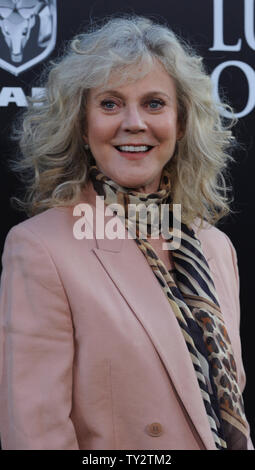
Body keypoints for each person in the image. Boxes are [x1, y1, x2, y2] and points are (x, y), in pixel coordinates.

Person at [0, 14, 253, 450]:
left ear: (180, 122)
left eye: (154, 103)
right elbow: (35, 433)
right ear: (82, 125)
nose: (133, 123)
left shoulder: (214, 246)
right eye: (111, 104)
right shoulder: (40, 248)